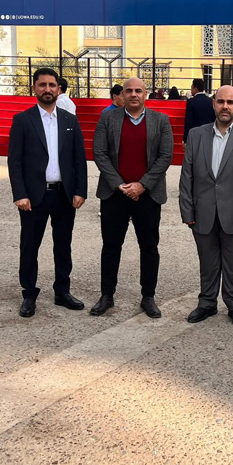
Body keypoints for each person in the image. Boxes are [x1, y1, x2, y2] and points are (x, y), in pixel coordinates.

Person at [179, 85, 233, 327]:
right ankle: (207, 303)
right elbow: (187, 175)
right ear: (213, 104)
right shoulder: (196, 135)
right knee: (207, 262)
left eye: (230, 102)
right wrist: (187, 210)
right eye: (221, 101)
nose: (225, 106)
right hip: (203, 211)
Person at [90, 77, 174, 318]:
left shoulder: (161, 120)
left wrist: (142, 185)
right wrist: (120, 184)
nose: (134, 94)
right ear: (122, 95)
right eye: (129, 91)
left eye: (138, 90)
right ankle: (107, 295)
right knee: (111, 246)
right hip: (114, 194)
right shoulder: (108, 118)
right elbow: (99, 153)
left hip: (148, 195)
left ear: (146, 94)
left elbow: (165, 156)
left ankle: (148, 297)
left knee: (149, 247)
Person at [8, 67, 88, 318]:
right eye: (42, 85)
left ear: (58, 89)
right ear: (34, 88)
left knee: (63, 246)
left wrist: (80, 190)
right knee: (30, 246)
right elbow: (15, 161)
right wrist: (20, 194)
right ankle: (29, 293)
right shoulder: (23, 120)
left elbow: (79, 158)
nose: (47, 89)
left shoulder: (69, 120)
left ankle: (62, 291)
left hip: (64, 195)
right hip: (33, 197)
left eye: (52, 85)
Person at [183, 78, 214, 143]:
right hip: (208, 134)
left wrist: (185, 139)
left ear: (195, 89)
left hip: (195, 135)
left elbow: (188, 121)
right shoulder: (210, 101)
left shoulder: (191, 102)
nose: (191, 90)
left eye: (191, 88)